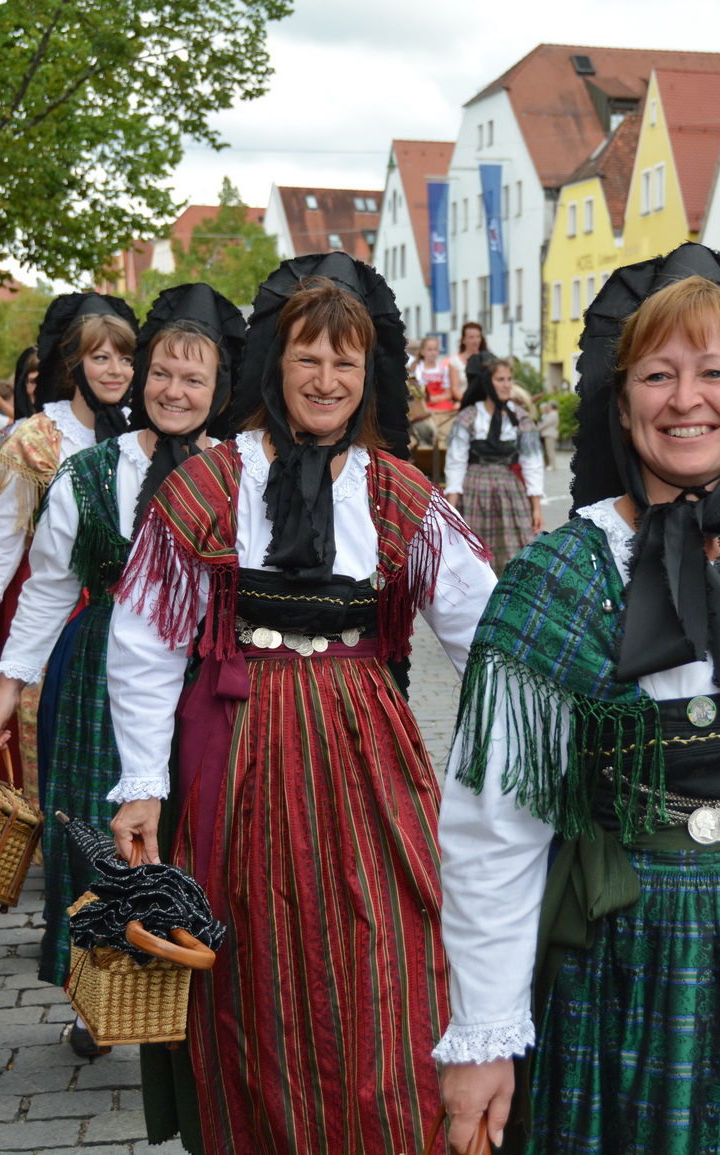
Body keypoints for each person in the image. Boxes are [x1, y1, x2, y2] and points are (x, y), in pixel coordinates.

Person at [433, 245, 720, 1155]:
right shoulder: (557, 579)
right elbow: (493, 831)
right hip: (629, 962)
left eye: (715, 371)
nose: (687, 399)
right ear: (624, 400)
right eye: (659, 374)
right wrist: (483, 1035)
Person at [105, 255, 496, 1155]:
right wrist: (139, 784)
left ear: (368, 378)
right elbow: (145, 641)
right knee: (256, 967)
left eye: (346, 364)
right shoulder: (207, 486)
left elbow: (487, 629)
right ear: (276, 367)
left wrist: (526, 741)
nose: (326, 381)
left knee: (391, 949)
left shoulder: (399, 490)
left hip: (367, 749)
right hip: (242, 752)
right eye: (308, 359)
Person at [0, 284, 244, 1058]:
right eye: (162, 372)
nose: (174, 390)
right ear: (140, 376)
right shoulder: (92, 473)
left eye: (194, 378)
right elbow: (50, 585)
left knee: (203, 835)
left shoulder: (242, 475)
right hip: (97, 671)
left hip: (208, 670)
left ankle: (203, 1003)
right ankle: (106, 995)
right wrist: (8, 683)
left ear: (219, 387)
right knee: (104, 844)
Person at [0, 295, 136, 802]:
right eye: (101, 358)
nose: (115, 370)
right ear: (74, 365)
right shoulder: (34, 441)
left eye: (126, 358)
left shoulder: (151, 430)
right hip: (46, 609)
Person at [445, 353, 544, 572]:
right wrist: (451, 508)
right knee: (474, 555)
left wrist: (536, 508)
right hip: (475, 489)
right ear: (487, 382)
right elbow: (456, 462)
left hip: (509, 489)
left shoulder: (520, 417)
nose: (507, 385)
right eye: (501, 379)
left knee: (514, 554)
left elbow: (532, 463)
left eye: (509, 379)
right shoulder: (469, 417)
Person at [449, 319, 488, 397]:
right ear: (463, 340)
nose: (475, 341)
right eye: (471, 337)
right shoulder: (455, 362)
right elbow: (455, 390)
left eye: (478, 337)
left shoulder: (487, 359)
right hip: (464, 400)